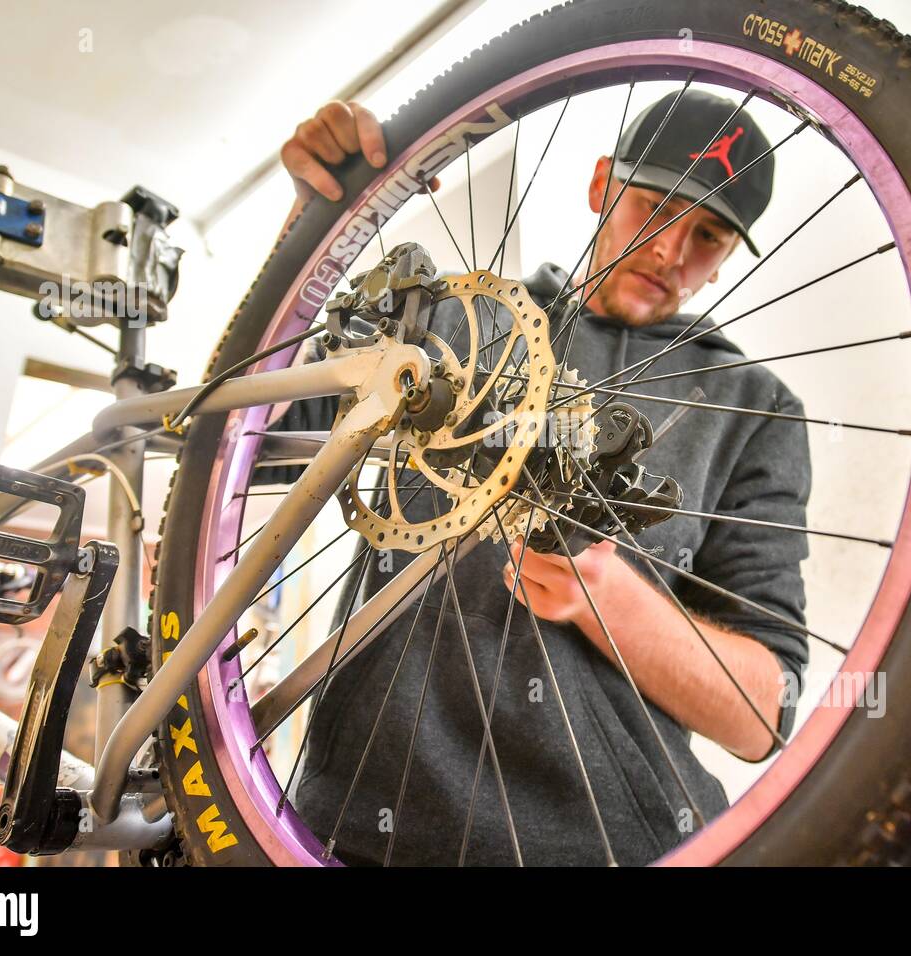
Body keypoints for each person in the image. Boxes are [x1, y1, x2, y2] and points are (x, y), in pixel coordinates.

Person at [270, 90, 812, 866]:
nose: (671, 253)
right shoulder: (453, 319)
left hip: (613, 848)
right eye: (655, 208)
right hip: (356, 827)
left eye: (710, 235)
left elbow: (760, 715)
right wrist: (312, 233)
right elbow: (252, 437)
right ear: (602, 187)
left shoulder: (757, 410)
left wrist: (609, 597)